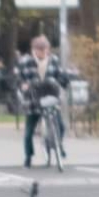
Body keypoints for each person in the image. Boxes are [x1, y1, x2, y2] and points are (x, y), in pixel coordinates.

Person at [13, 36, 67, 169]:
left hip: (50, 98)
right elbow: (17, 78)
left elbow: (61, 75)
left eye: (45, 50)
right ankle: (28, 157)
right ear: (34, 50)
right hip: (33, 100)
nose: (43, 53)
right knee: (29, 131)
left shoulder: (54, 60)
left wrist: (62, 82)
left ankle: (57, 144)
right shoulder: (25, 62)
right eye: (40, 50)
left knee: (61, 125)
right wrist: (22, 85)